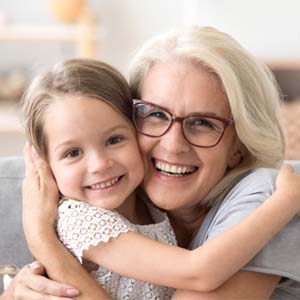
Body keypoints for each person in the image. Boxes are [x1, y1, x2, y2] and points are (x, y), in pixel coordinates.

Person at [3, 26, 300, 300]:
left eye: (201, 122)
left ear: (239, 147)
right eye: (156, 114)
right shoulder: (91, 211)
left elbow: (199, 271)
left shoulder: (261, 196)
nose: (173, 145)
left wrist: (43, 240)